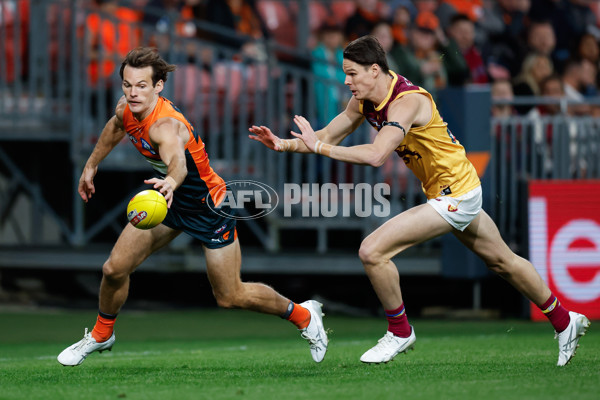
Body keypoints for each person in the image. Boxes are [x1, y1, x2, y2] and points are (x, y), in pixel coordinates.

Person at [248, 35, 590, 366]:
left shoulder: (407, 101)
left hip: (455, 194)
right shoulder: (364, 99)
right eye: (345, 73)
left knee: (372, 251)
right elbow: (325, 135)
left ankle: (400, 331)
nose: (346, 80)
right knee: (503, 261)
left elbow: (376, 154)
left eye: (352, 73)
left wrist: (320, 148)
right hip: (453, 188)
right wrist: (283, 143)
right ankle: (565, 321)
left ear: (375, 71)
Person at [57, 47, 328, 366]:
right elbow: (115, 126)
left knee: (230, 296)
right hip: (168, 202)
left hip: (208, 207)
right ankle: (102, 335)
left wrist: (171, 182)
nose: (133, 92)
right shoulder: (127, 108)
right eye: (128, 85)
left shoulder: (166, 126)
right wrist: (91, 166)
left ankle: (304, 315)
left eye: (142, 85)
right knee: (114, 269)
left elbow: (178, 165)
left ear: (158, 86)